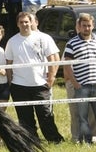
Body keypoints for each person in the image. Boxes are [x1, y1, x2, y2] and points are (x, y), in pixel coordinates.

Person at [5, 12, 64, 144]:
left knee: (45, 115)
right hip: (19, 85)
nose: (24, 24)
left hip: (40, 84)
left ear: (31, 22)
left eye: (26, 22)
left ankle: (54, 140)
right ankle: (32, 140)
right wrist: (10, 82)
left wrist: (51, 78)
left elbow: (52, 59)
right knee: (25, 118)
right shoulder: (12, 41)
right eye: (21, 22)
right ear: (17, 24)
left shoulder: (44, 38)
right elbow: (8, 63)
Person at [63, 13, 96, 144]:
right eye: (84, 26)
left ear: (93, 26)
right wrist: (75, 83)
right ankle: (87, 142)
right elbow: (67, 64)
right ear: (79, 27)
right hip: (81, 86)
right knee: (82, 116)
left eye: (89, 26)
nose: (87, 28)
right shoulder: (72, 43)